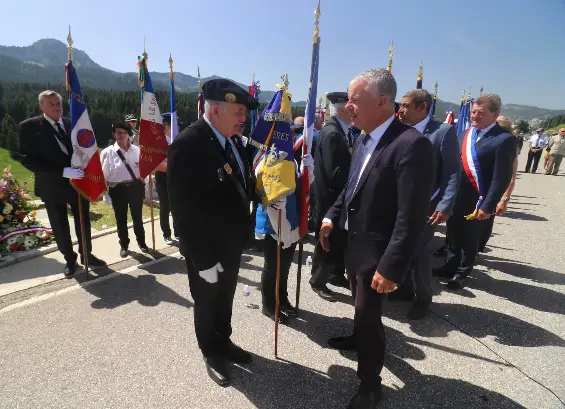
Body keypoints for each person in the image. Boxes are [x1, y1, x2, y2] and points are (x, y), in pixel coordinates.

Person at [321, 69, 434, 408]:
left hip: (378, 257)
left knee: (371, 321)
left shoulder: (412, 145)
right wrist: (331, 217)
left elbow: (411, 217)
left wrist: (391, 267)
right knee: (360, 312)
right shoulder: (364, 137)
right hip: (354, 248)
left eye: (355, 99)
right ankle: (358, 340)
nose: (348, 106)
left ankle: (370, 384)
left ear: (382, 101)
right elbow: (351, 187)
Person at [167, 79, 258, 388]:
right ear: (216, 109)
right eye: (239, 111)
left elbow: (240, 185)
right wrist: (203, 259)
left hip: (232, 243)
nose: (243, 118)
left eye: (244, 112)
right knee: (207, 301)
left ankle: (224, 341)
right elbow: (183, 210)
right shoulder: (189, 143)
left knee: (226, 297)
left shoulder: (233, 140)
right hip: (204, 248)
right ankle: (210, 352)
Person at [17, 90, 105, 278]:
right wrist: (62, 171)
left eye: (59, 103)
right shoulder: (29, 127)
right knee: (60, 224)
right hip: (52, 184)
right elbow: (27, 160)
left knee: (83, 222)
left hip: (78, 183)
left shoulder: (71, 122)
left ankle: (87, 255)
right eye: (52, 104)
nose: (57, 107)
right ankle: (70, 259)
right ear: (41, 106)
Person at [433, 95, 516, 290]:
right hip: (456, 196)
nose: (474, 116)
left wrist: (489, 204)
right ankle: (450, 265)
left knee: (470, 239)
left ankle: (461, 273)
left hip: (479, 199)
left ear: (494, 115)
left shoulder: (504, 140)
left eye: (480, 113)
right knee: (453, 235)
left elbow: (501, 177)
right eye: (473, 112)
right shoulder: (464, 134)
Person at [396, 88, 460, 319]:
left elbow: (452, 172)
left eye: (405, 106)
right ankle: (403, 288)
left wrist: (445, 205)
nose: (400, 110)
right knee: (401, 246)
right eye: (400, 105)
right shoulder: (400, 129)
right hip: (400, 201)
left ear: (422, 107)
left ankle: (423, 296)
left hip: (428, 204)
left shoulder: (442, 132)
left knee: (421, 251)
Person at [255, 148, 313, 325]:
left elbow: (299, 187)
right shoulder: (269, 158)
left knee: (286, 263)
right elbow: (260, 185)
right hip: (273, 222)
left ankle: (282, 298)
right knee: (272, 266)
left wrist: (308, 172)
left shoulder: (291, 158)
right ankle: (268, 304)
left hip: (291, 218)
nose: (291, 136)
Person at [310, 91, 353, 302]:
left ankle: (335, 274)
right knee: (326, 241)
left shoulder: (338, 130)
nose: (355, 109)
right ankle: (317, 280)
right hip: (330, 199)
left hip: (334, 198)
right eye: (351, 105)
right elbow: (334, 172)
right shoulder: (333, 134)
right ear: (343, 108)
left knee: (336, 241)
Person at [100, 122, 149, 257]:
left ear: (129, 134)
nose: (121, 135)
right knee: (120, 219)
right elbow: (102, 175)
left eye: (124, 132)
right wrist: (105, 193)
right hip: (118, 189)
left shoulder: (137, 150)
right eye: (118, 132)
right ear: (114, 134)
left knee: (137, 218)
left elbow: (144, 169)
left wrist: (144, 176)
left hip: (135, 187)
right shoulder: (107, 153)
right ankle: (124, 245)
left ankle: (142, 242)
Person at [478, 116, 518, 252]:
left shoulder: (507, 146)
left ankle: (475, 251)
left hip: (491, 194)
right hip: (476, 191)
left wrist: (503, 200)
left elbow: (511, 179)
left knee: (484, 224)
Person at [154, 113, 179, 245]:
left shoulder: (177, 138)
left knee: (176, 205)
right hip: (163, 178)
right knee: (165, 207)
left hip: (176, 178)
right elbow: (156, 164)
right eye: (167, 124)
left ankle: (177, 232)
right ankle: (166, 234)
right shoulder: (159, 141)